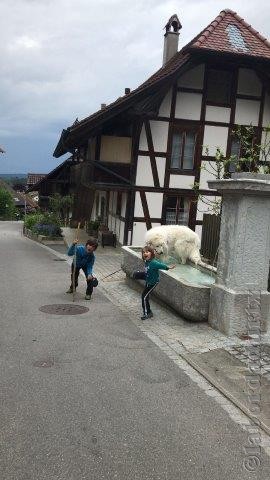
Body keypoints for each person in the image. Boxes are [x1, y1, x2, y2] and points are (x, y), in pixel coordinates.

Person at [140, 245, 175, 320]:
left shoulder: (154, 263)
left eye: (147, 252)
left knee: (144, 296)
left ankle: (147, 313)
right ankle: (148, 309)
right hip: (148, 279)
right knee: (146, 296)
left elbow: (161, 265)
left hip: (153, 282)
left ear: (151, 254)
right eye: (143, 252)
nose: (145, 253)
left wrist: (169, 267)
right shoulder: (147, 261)